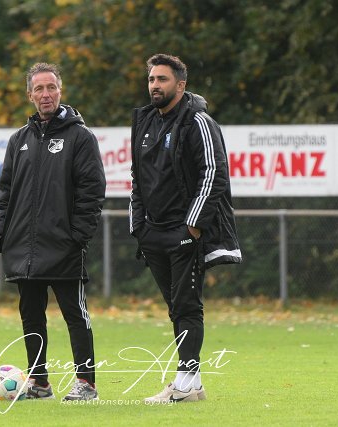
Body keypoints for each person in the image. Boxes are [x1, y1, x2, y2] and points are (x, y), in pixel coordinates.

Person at [130, 54, 242, 403]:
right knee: (175, 307)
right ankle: (190, 382)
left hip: (184, 232)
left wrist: (193, 224)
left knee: (187, 305)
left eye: (162, 79)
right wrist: (138, 225)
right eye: (151, 79)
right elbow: (137, 177)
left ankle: (186, 382)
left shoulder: (198, 121)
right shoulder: (144, 121)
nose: (155, 85)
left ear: (180, 85)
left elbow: (214, 172)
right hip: (152, 233)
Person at [0, 62, 106, 401]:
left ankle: (86, 384)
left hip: (64, 246)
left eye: (51, 87)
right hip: (23, 248)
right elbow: (5, 192)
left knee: (75, 316)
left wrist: (78, 236)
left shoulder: (80, 137)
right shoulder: (19, 140)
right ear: (30, 95)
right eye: (39, 89)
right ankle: (39, 383)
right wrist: (2, 233)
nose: (46, 94)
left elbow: (92, 190)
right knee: (31, 317)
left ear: (60, 91)